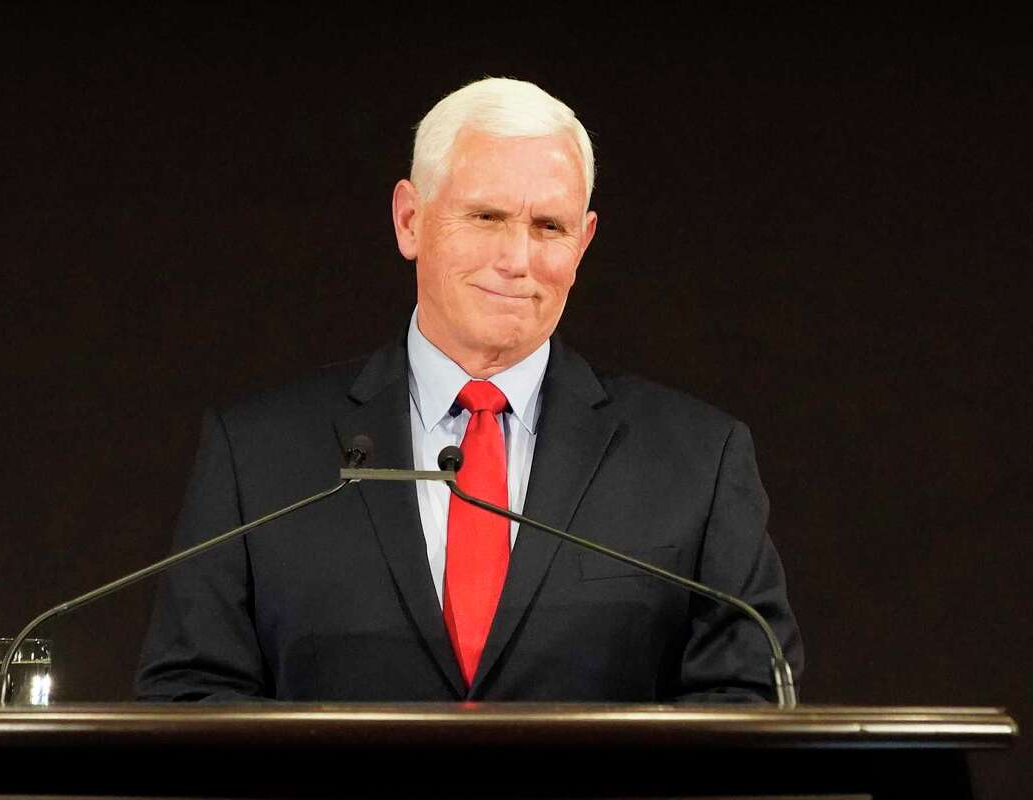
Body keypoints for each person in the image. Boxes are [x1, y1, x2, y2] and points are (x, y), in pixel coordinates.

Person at [136, 77, 803, 702]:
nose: (516, 260)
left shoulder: (696, 460)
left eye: (549, 227)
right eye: (485, 217)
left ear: (584, 242)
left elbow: (749, 699)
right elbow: (191, 696)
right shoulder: (259, 454)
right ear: (408, 220)